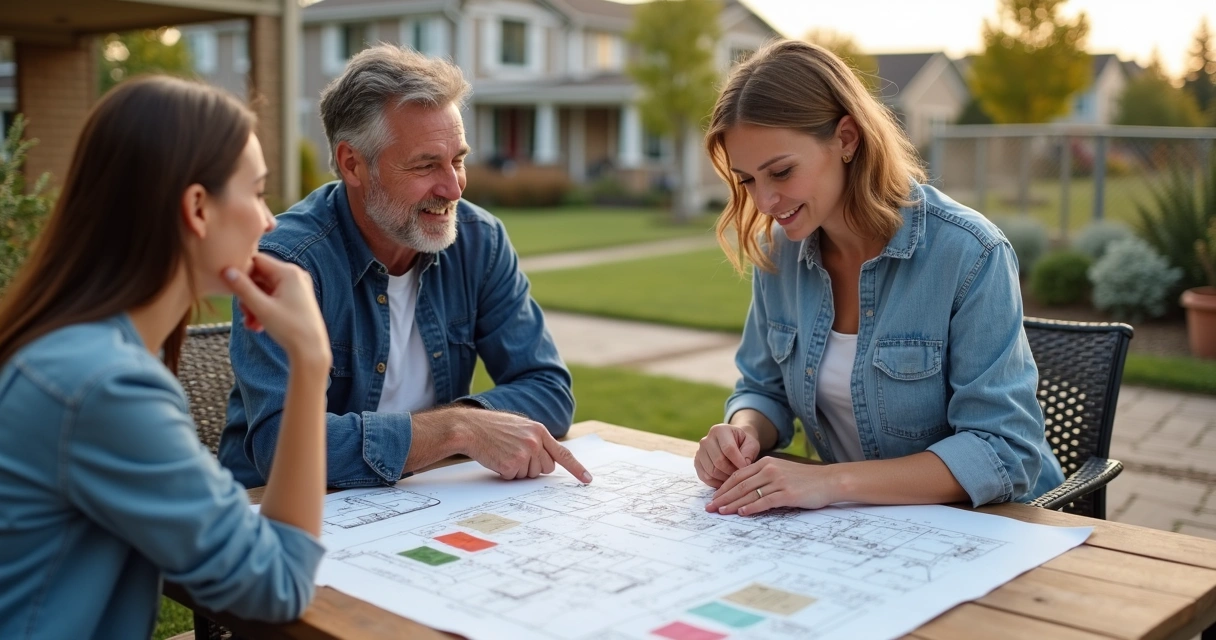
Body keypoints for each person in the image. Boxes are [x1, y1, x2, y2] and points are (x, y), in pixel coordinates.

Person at [0, 76, 331, 637]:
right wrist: (309, 358)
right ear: (198, 209)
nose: (269, 220)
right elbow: (278, 584)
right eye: (256, 191)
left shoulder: (75, 349)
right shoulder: (105, 386)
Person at [695, 40, 1065, 516]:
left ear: (846, 138)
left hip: (994, 526)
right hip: (864, 527)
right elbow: (761, 389)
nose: (764, 202)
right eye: (747, 180)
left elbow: (1004, 451)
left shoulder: (969, 253)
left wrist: (829, 482)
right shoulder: (781, 254)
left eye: (782, 172)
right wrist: (742, 432)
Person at [219, 45, 590, 489]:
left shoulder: (479, 240)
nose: (453, 188)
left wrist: (456, 430)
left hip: (421, 500)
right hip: (280, 516)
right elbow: (281, 449)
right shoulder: (288, 263)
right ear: (352, 164)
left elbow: (548, 387)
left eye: (458, 160)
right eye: (426, 165)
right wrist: (458, 430)